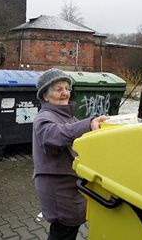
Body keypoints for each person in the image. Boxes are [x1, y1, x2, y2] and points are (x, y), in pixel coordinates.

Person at [32, 68, 109, 240]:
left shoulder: (68, 116)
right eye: (59, 89)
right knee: (63, 232)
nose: (65, 93)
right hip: (58, 189)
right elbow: (56, 134)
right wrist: (88, 124)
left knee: (67, 231)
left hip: (70, 186)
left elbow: (77, 135)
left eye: (67, 88)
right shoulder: (44, 118)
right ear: (45, 96)